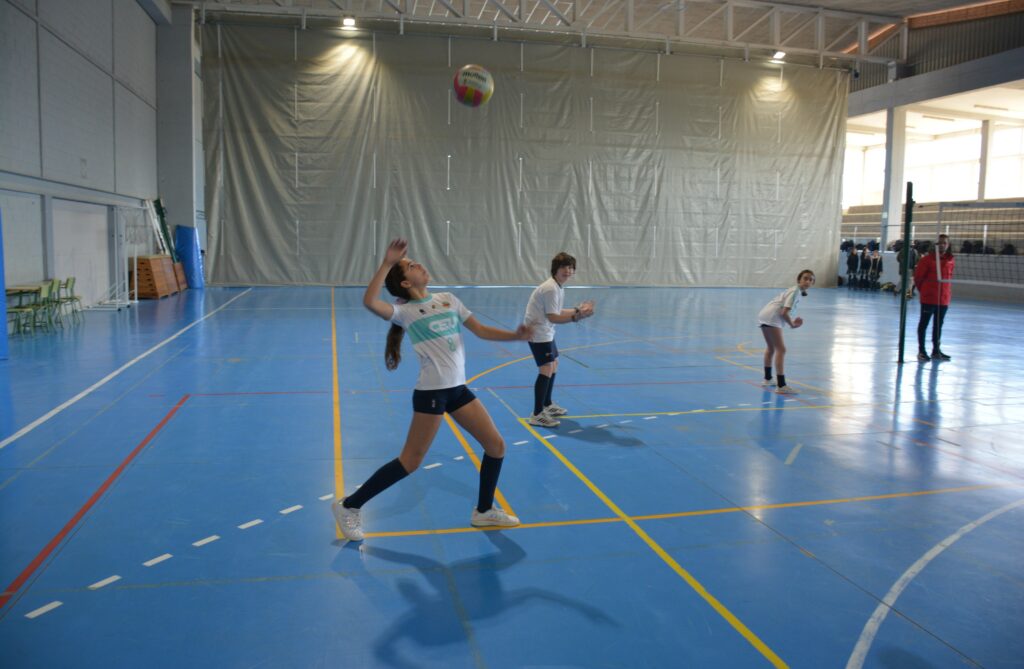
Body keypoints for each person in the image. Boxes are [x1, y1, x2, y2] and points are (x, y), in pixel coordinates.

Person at [331, 238, 533, 541]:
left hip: (458, 390)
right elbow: (370, 302)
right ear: (404, 282)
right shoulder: (405, 311)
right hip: (432, 394)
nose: (419, 265)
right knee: (410, 461)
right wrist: (386, 262)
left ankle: (483, 511)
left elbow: (480, 330)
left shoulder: (449, 299)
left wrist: (514, 336)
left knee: (496, 446)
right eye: (411, 266)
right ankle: (349, 506)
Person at [523, 252, 595, 427]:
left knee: (553, 364)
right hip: (538, 332)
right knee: (546, 368)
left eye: (571, 268)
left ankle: (547, 404)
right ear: (556, 269)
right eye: (564, 267)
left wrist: (578, 310)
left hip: (545, 331)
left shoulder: (557, 287)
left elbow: (557, 311)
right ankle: (537, 414)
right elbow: (554, 317)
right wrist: (577, 317)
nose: (568, 271)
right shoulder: (550, 288)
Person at [757, 269, 815, 394]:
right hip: (772, 317)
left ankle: (767, 379)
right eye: (805, 278)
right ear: (799, 279)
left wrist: (792, 321)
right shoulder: (795, 291)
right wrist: (792, 324)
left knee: (771, 348)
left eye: (810, 279)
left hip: (764, 315)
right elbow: (784, 312)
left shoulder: (794, 291)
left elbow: (784, 310)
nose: (807, 281)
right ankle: (781, 385)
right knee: (781, 349)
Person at [913, 234, 955, 362]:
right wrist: (925, 291)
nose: (942, 245)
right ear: (935, 245)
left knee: (938, 325)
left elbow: (949, 277)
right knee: (924, 324)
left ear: (948, 245)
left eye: (945, 243)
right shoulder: (926, 260)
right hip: (929, 298)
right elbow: (918, 278)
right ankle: (921, 351)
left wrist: (945, 294)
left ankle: (936, 350)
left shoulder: (950, 260)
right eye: (940, 243)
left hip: (943, 299)